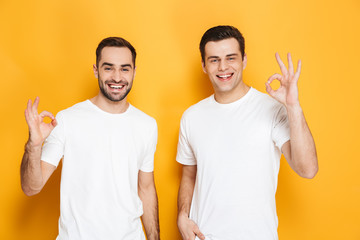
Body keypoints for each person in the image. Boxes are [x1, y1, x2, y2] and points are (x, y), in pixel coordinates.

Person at [176, 25, 318, 240]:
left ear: (244, 60)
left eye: (230, 58)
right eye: (214, 60)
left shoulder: (271, 108)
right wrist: (182, 216)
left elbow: (308, 169)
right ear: (204, 66)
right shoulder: (191, 116)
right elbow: (188, 174)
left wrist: (293, 106)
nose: (223, 67)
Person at [20, 37, 160, 240]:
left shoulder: (147, 125)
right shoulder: (67, 120)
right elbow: (31, 187)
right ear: (96, 70)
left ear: (134, 72)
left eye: (124, 69)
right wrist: (33, 145)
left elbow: (146, 189)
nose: (117, 77)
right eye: (108, 68)